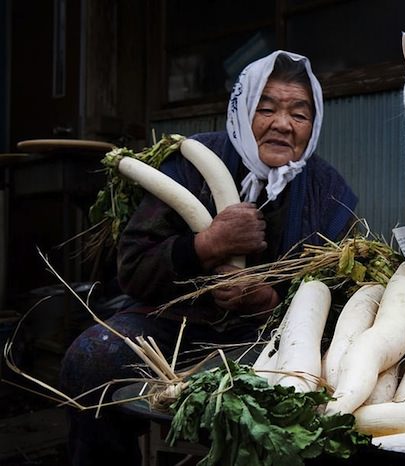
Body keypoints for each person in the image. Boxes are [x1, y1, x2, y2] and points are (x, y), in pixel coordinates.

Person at [58, 50, 358, 466]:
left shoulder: (329, 193)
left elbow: (341, 295)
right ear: (241, 108)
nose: (282, 125)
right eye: (265, 108)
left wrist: (270, 299)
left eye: (299, 114)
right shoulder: (192, 162)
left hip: (267, 339)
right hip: (171, 326)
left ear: (315, 123)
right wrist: (207, 245)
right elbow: (131, 268)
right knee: (91, 359)